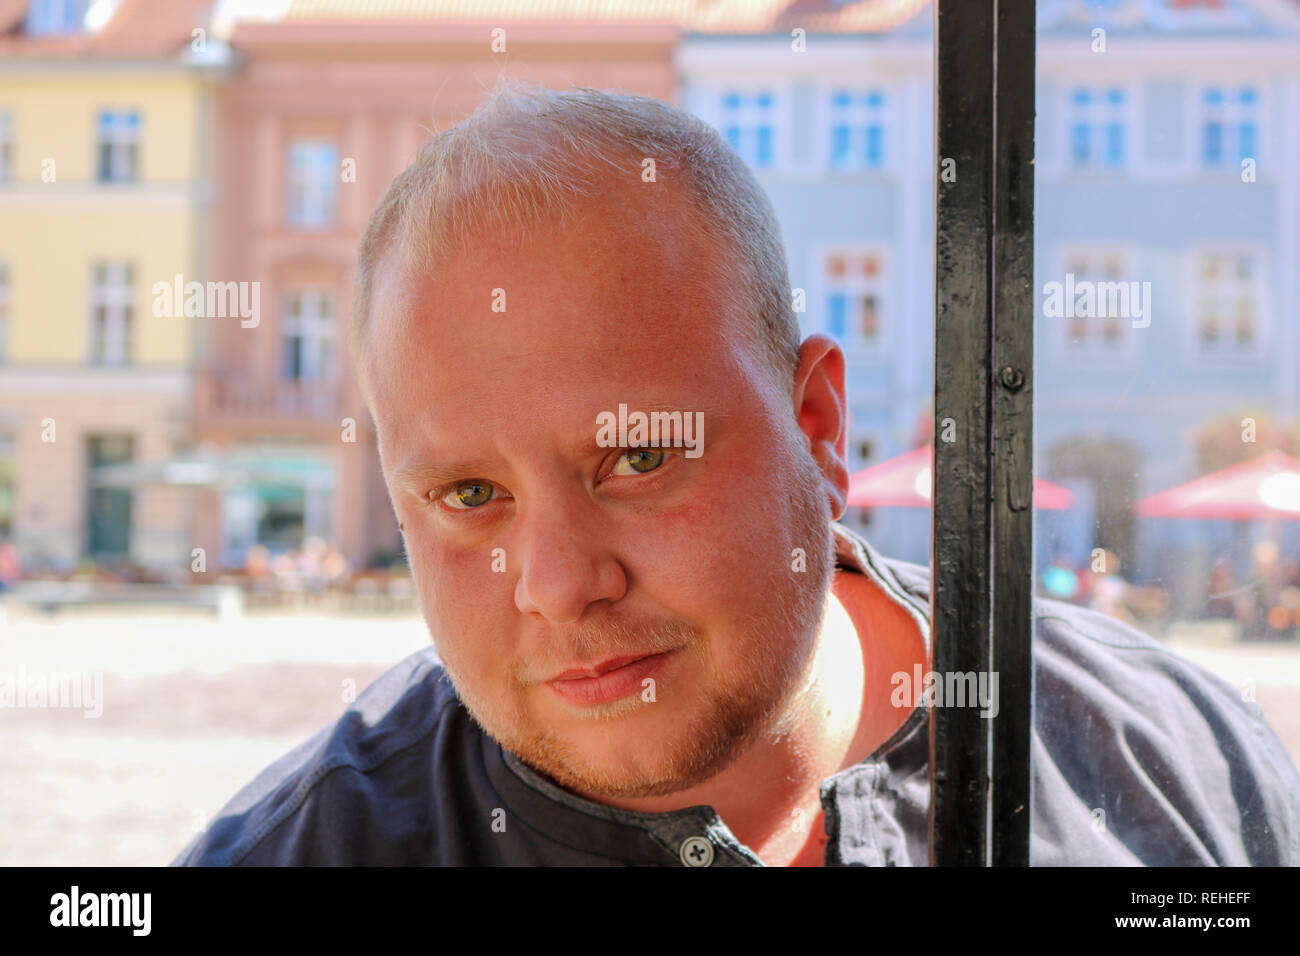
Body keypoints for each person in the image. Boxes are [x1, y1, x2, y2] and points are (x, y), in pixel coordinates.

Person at [174, 81, 1300, 867]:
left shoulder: (1159, 753)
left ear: (817, 426)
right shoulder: (294, 852)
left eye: (640, 456)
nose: (559, 583)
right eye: (470, 495)